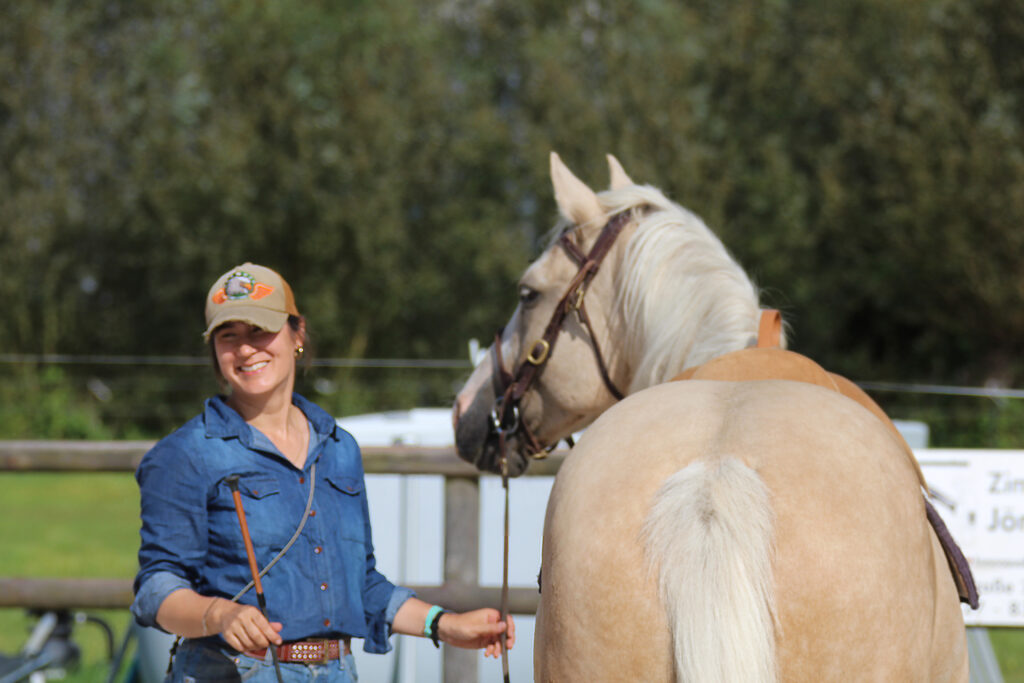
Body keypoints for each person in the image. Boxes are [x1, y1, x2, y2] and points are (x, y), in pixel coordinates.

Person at [131, 263, 514, 682]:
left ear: (297, 334)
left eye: (259, 330)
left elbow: (363, 586)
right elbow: (156, 590)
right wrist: (219, 613)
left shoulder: (338, 447)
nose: (245, 349)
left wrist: (446, 624)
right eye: (229, 336)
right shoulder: (184, 453)